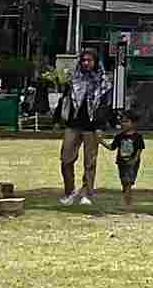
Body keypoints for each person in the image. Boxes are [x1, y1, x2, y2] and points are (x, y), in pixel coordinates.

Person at [58, 48, 114, 208]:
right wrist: (58, 119)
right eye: (83, 60)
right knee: (66, 159)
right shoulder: (73, 79)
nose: (86, 63)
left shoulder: (103, 82)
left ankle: (86, 192)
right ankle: (69, 192)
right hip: (73, 125)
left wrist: (99, 126)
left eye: (89, 60)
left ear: (96, 62)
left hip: (92, 127)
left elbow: (104, 107)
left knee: (90, 162)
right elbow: (65, 100)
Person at [106, 109, 146, 212]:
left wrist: (135, 160)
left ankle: (126, 204)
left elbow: (139, 150)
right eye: (122, 121)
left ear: (133, 123)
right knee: (124, 183)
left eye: (126, 121)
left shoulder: (137, 137)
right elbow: (112, 147)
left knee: (128, 182)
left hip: (132, 163)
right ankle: (128, 201)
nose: (123, 124)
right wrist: (101, 141)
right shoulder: (119, 136)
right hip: (121, 163)